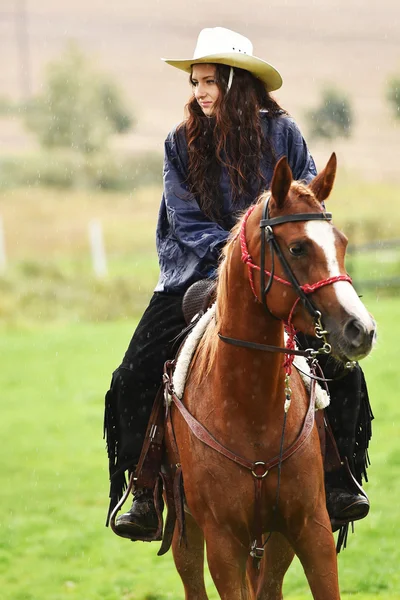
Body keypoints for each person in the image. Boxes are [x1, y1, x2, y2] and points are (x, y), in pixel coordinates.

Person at [104, 27, 372, 541]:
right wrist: (234, 259)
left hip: (282, 277)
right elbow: (183, 219)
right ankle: (144, 491)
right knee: (131, 375)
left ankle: (339, 480)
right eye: (196, 82)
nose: (199, 92)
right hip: (196, 273)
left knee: (343, 368)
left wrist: (278, 257)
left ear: (237, 83)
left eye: (209, 81)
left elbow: (307, 203)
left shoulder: (285, 135)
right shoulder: (179, 142)